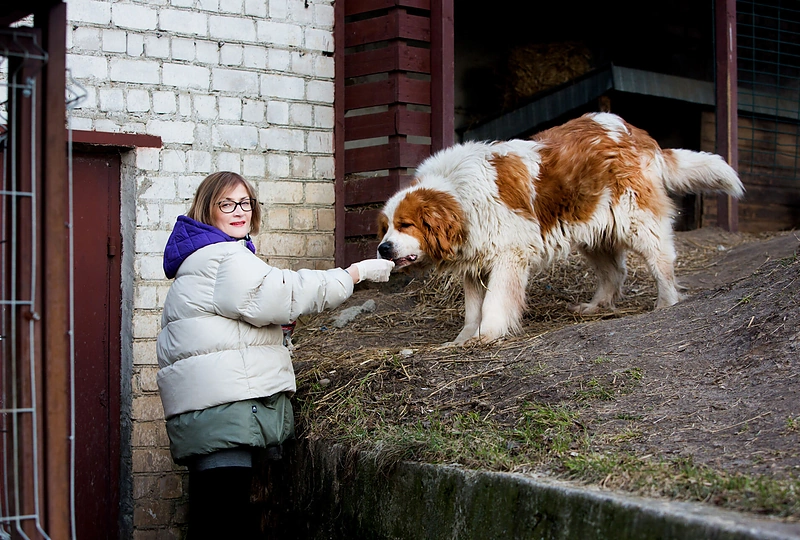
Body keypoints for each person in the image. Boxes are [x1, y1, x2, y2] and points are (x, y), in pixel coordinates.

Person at [156, 171, 394, 539]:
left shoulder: (198, 259)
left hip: (208, 412)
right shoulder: (223, 258)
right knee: (225, 523)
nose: (239, 212)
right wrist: (354, 273)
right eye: (227, 204)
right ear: (208, 210)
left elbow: (236, 322)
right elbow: (287, 293)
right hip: (225, 412)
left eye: (245, 203)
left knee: (211, 520)